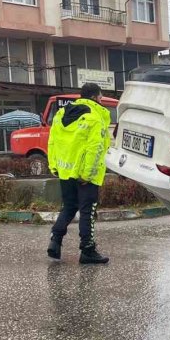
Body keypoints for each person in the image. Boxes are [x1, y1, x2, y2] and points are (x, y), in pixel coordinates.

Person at [46, 83, 111, 264]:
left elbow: (52, 141)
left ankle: (55, 241)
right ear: (96, 98)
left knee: (69, 206)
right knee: (87, 211)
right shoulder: (94, 118)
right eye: (100, 97)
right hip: (85, 174)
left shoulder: (61, 114)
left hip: (65, 170)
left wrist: (54, 166)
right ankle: (87, 250)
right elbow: (95, 149)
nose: (101, 100)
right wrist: (88, 174)